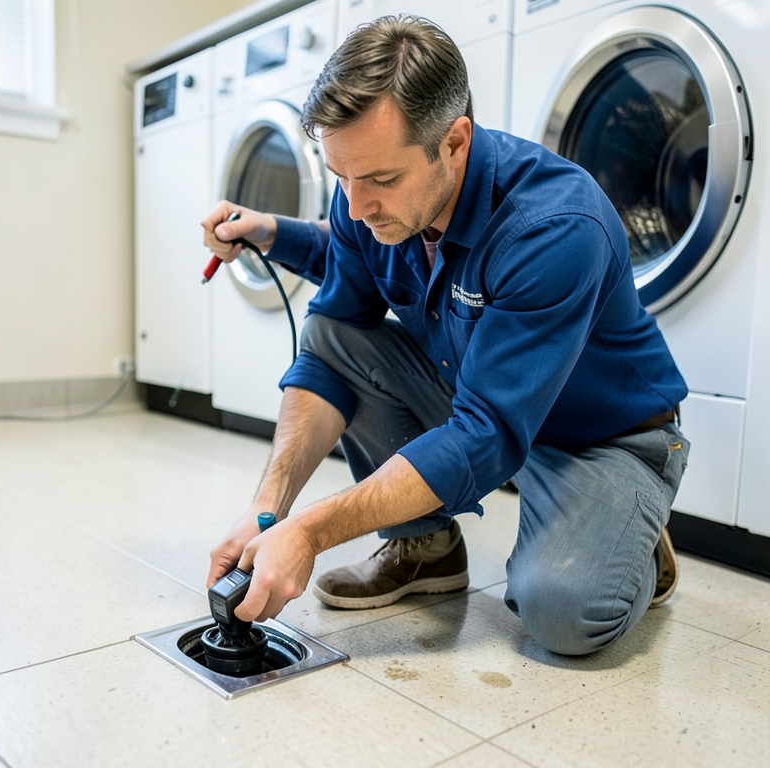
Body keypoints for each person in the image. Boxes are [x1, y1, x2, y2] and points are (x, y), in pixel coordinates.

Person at [200, 15, 689, 656]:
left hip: (600, 436)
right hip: (481, 399)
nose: (354, 204)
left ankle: (628, 525)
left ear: (454, 142)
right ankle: (425, 547)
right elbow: (329, 351)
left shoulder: (554, 226)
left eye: (380, 179)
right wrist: (268, 514)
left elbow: (485, 435)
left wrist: (314, 531)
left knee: (565, 614)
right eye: (342, 176)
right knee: (334, 330)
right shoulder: (363, 199)